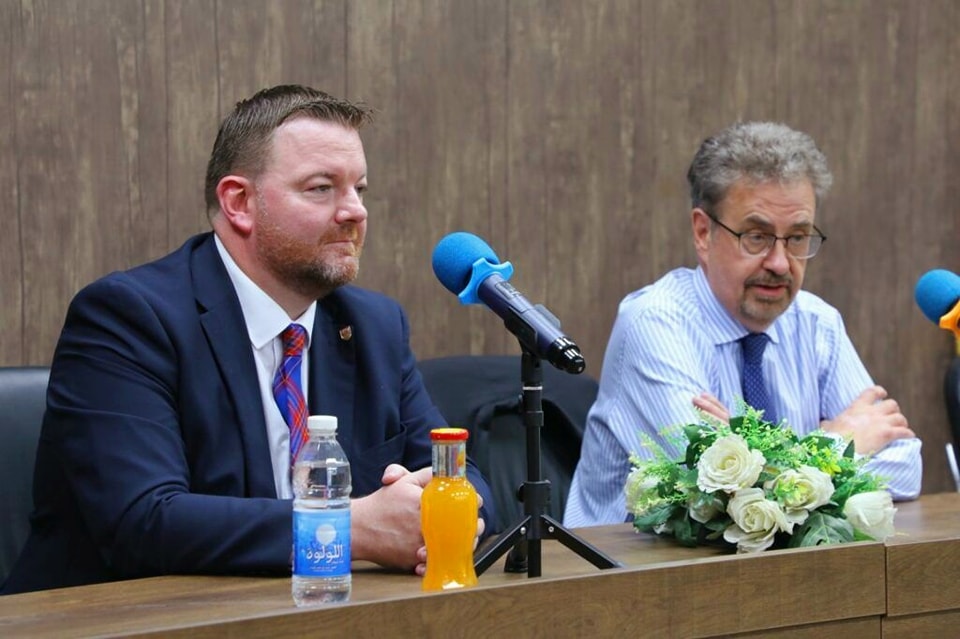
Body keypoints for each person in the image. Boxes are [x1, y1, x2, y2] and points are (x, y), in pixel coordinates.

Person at [2, 85, 494, 594]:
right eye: (322, 188)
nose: (355, 211)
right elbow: (143, 522)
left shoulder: (373, 325)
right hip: (122, 617)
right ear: (239, 202)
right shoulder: (128, 318)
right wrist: (350, 527)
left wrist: (442, 512)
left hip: (314, 613)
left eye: (359, 189)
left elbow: (464, 477)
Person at [565, 121, 922, 527]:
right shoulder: (655, 323)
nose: (780, 263)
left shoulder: (816, 324)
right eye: (756, 236)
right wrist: (837, 443)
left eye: (798, 238)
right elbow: (718, 491)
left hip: (776, 563)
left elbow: (905, 466)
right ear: (703, 232)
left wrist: (766, 460)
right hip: (623, 562)